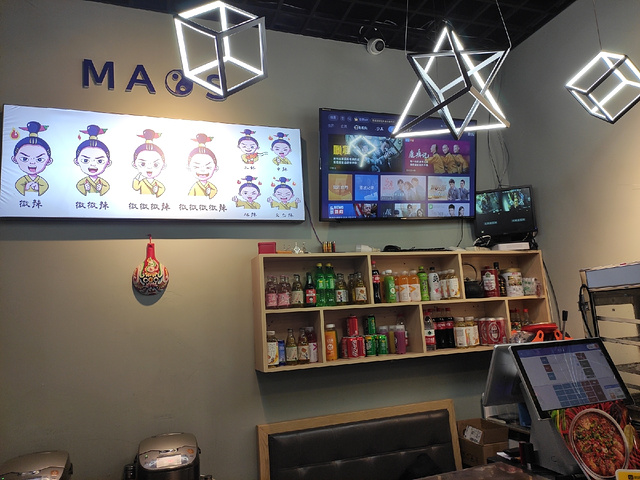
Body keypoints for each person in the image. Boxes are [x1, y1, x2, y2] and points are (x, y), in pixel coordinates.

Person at [11, 121, 54, 196]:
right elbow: (18, 186)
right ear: (15, 159)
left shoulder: (41, 181)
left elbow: (45, 186)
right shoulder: (22, 180)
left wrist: (39, 188)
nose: (32, 163)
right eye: (24, 159)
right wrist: (25, 187)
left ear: (49, 161)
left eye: (39, 159)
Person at [74, 124, 111, 196]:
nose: (92, 164)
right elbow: (79, 186)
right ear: (77, 161)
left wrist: (101, 189)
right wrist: (84, 188)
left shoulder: (102, 182)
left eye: (100, 161)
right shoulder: (82, 182)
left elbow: (106, 187)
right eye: (85, 160)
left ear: (108, 163)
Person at [132, 129, 166, 197]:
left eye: (156, 165)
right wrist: (136, 179)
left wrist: (157, 191)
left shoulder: (156, 183)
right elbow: (136, 187)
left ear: (163, 166)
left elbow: (162, 188)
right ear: (134, 164)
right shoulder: (142, 181)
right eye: (142, 164)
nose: (149, 167)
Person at [187, 133, 218, 198]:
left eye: (208, 167)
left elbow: (215, 191)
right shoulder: (195, 187)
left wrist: (209, 193)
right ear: (189, 167)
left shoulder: (211, 186)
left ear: (215, 168)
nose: (202, 170)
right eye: (196, 167)